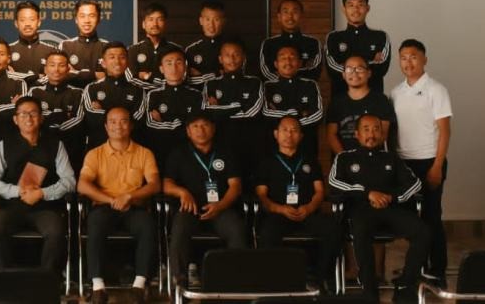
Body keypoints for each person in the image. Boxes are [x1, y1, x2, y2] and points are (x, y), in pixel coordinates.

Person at [328, 114, 428, 303]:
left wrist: (392, 197)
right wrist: (368, 193)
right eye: (366, 129)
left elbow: (415, 184)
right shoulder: (344, 158)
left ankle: (405, 284)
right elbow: (334, 183)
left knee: (423, 232)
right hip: (361, 210)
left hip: (391, 208)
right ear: (356, 134)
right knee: (360, 230)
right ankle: (369, 288)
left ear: (382, 135)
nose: (371, 134)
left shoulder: (392, 158)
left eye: (376, 129)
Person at [78, 106, 160, 304]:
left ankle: (139, 285)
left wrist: (129, 197)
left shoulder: (144, 153)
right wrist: (111, 200)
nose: (118, 126)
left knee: (148, 225)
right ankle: (98, 287)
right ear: (106, 127)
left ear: (130, 126)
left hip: (135, 206)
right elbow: (82, 185)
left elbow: (155, 184)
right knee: (95, 224)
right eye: (112, 122)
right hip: (104, 206)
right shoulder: (95, 154)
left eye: (123, 121)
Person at [0, 97, 76, 271]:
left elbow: (69, 181)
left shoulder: (56, 145)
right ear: (15, 119)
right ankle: (6, 279)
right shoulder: (4, 145)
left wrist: (42, 193)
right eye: (23, 114)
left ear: (41, 118)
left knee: (56, 232)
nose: (29, 118)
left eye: (34, 113)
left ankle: (46, 282)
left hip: (45, 207)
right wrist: (17, 191)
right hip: (12, 205)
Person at [390, 39, 452, 288]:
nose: (408, 62)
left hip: (429, 161)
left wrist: (437, 166)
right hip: (404, 163)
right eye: (404, 57)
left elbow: (445, 131)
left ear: (424, 59)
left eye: (414, 56)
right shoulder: (395, 92)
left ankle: (436, 269)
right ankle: (416, 267)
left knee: (431, 216)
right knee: (411, 220)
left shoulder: (436, 89)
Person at [255, 116, 340, 293]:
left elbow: (319, 191)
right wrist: (279, 208)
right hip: (278, 214)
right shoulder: (266, 162)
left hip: (307, 213)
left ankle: (320, 277)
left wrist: (309, 208)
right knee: (266, 234)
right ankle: (276, 282)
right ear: (276, 134)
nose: (289, 134)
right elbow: (261, 195)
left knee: (334, 229)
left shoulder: (309, 160)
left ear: (301, 136)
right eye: (285, 130)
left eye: (294, 130)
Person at [163, 113, 247, 287]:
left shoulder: (226, 152)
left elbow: (235, 186)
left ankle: (235, 280)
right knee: (179, 229)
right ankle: (179, 281)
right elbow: (166, 184)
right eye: (195, 126)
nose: (200, 130)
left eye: (205, 125)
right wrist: (182, 192)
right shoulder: (179, 153)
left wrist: (220, 205)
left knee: (237, 229)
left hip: (220, 209)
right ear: (188, 131)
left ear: (213, 129)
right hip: (190, 210)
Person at [204, 38, 264, 182]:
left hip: (249, 141)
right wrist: (238, 107)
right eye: (227, 55)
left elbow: (252, 113)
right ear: (220, 59)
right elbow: (208, 112)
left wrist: (220, 109)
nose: (231, 59)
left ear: (243, 57)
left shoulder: (254, 82)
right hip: (220, 141)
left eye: (236, 54)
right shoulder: (211, 84)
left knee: (248, 182)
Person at [144, 46, 205, 173]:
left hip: (189, 152)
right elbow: (150, 124)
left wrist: (163, 122)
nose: (174, 67)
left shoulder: (197, 95)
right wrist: (182, 125)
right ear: (161, 68)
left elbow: (197, 127)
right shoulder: (153, 95)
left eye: (179, 62)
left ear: (185, 67)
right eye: (169, 63)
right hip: (160, 150)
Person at [27, 51, 86, 174]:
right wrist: (61, 117)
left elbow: (79, 119)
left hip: (70, 149)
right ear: (46, 69)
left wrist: (49, 124)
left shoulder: (78, 93)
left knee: (70, 187)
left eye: (61, 65)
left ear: (68, 69)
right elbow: (30, 119)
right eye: (52, 65)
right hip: (40, 149)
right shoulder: (34, 92)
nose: (56, 69)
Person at [82, 42, 149, 150]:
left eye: (122, 57)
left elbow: (138, 120)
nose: (117, 61)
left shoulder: (138, 90)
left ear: (127, 62)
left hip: (130, 149)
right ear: (103, 63)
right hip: (98, 148)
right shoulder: (91, 88)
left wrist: (104, 112)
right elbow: (91, 118)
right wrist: (124, 118)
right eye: (112, 57)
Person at [262, 44, 323, 158]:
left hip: (306, 143)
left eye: (292, 58)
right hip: (274, 145)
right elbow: (265, 112)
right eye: (283, 58)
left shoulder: (310, 85)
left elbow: (318, 114)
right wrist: (295, 114)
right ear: (276, 64)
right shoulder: (267, 86)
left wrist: (295, 127)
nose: (288, 61)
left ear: (299, 63)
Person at [325, 0, 391, 94]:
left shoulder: (380, 36)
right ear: (343, 9)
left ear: (367, 8)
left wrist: (347, 68)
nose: (356, 9)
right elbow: (332, 69)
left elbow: (381, 68)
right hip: (341, 99)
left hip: (373, 98)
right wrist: (368, 64)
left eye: (360, 5)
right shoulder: (334, 38)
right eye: (351, 5)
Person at [326, 55, 395, 154]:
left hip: (374, 158)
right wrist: (345, 158)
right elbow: (331, 135)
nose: (354, 73)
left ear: (369, 73)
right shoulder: (336, 102)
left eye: (359, 69)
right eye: (349, 69)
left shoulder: (381, 100)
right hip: (344, 161)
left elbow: (383, 134)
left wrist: (364, 157)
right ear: (344, 75)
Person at [259, 0, 322, 81]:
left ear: (302, 16)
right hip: (275, 90)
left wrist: (296, 82)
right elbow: (265, 71)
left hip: (305, 90)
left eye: (295, 12)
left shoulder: (313, 43)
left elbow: (314, 70)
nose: (290, 16)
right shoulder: (269, 44)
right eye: (285, 12)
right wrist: (283, 82)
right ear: (279, 17)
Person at [58, 0, 108, 88]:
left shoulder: (107, 47)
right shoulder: (65, 46)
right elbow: (60, 75)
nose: (87, 21)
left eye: (91, 16)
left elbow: (110, 78)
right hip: (71, 99)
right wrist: (95, 75)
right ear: (76, 20)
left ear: (99, 19)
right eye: (82, 16)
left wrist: (75, 73)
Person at [128, 3, 181, 85]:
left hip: (167, 97)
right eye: (151, 19)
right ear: (143, 24)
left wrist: (147, 76)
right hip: (139, 97)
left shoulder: (176, 50)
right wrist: (161, 84)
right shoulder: (133, 50)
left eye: (159, 19)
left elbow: (179, 78)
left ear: (165, 23)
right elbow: (131, 79)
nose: (155, 24)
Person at [9, 0, 55, 84]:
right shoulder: (8, 50)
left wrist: (17, 76)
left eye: (32, 19)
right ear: (16, 23)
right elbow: (7, 76)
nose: (27, 24)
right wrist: (37, 76)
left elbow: (55, 76)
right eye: (22, 20)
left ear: (39, 22)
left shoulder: (51, 51)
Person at [184, 0, 226, 89]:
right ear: (201, 21)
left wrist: (201, 75)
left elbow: (235, 76)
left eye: (216, 19)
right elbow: (187, 80)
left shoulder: (232, 47)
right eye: (207, 19)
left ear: (223, 21)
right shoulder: (191, 49)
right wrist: (217, 73)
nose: (211, 24)